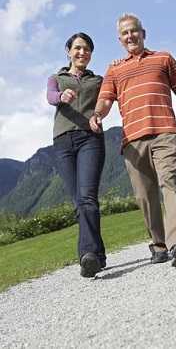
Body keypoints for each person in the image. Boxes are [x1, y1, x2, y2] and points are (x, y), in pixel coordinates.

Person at [90, 14, 176, 267]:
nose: (130, 36)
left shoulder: (164, 58)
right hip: (133, 140)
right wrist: (97, 115)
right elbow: (106, 100)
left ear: (143, 33)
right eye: (125, 33)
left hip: (165, 132)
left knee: (170, 183)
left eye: (134, 31)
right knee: (144, 195)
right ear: (120, 40)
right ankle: (159, 245)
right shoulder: (114, 69)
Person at [47, 32, 106, 277]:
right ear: (69, 51)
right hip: (62, 143)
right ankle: (97, 255)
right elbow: (50, 96)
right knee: (79, 203)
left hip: (90, 139)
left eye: (87, 50)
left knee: (87, 198)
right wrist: (62, 96)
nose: (83, 53)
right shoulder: (56, 78)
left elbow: (106, 101)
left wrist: (98, 115)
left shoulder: (98, 80)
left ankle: (87, 256)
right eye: (78, 48)